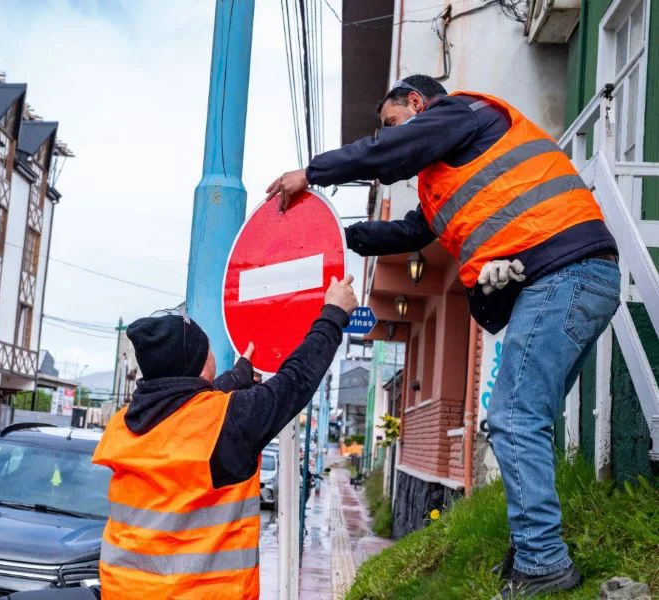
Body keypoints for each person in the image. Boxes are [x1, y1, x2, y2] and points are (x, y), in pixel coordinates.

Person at [266, 75, 620, 599]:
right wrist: (339, 236)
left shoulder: (463, 112)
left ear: (416, 102)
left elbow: (390, 149)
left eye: (392, 122)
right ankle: (533, 548)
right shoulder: (445, 182)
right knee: (526, 420)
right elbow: (411, 232)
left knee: (514, 418)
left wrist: (312, 173)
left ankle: (543, 561)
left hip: (565, 274)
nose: (391, 136)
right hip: (574, 278)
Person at [92, 276, 358, 599]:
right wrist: (332, 315)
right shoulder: (229, 423)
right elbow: (295, 381)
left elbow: (184, 417)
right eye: (207, 350)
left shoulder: (126, 423)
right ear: (198, 365)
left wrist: (237, 378)